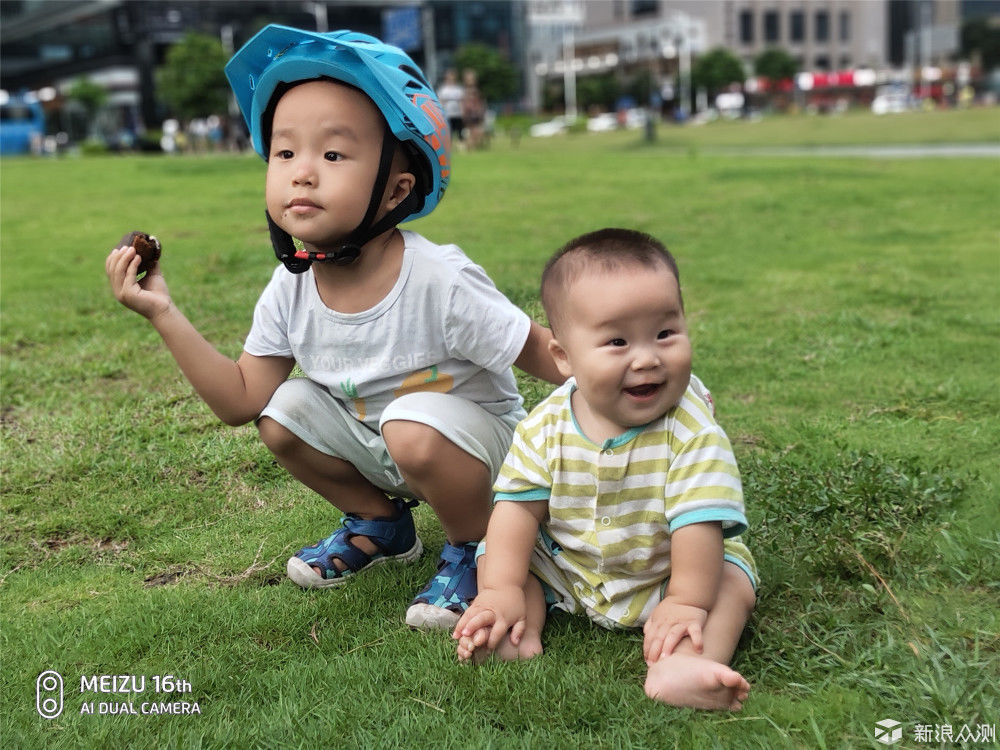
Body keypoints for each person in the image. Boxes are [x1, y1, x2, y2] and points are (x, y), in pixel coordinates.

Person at [105, 25, 562, 630]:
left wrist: (644, 394)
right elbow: (241, 399)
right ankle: (381, 523)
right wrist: (163, 312)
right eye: (285, 153)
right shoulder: (291, 287)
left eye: (333, 155)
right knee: (281, 412)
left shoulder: (439, 280)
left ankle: (480, 545)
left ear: (397, 190)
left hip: (481, 454)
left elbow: (547, 354)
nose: (302, 173)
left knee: (410, 424)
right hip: (387, 443)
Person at [453, 228, 758, 711]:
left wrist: (685, 600)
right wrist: (502, 587)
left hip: (665, 570)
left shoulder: (692, 430)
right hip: (568, 565)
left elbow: (697, 524)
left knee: (729, 582)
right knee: (501, 555)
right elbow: (517, 509)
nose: (647, 358)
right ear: (564, 357)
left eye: (665, 333)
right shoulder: (545, 426)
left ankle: (685, 663)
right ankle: (515, 627)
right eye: (617, 341)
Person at [437, 69, 465, 145]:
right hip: (447, 115)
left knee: (460, 132)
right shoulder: (443, 90)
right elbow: (440, 102)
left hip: (457, 114)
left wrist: (462, 113)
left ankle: (461, 145)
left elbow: (461, 102)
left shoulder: (458, 89)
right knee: (449, 132)